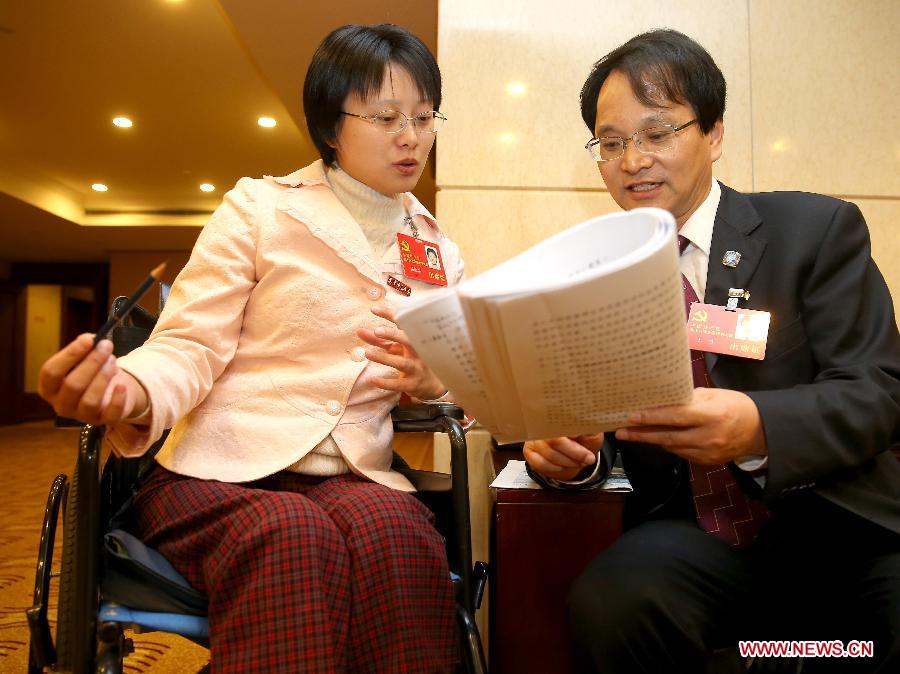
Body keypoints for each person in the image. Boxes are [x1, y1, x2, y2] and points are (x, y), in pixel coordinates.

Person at [38, 24, 461, 673]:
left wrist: (432, 381)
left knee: (398, 535)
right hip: (219, 471)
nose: (411, 136)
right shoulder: (259, 208)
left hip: (353, 473)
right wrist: (129, 389)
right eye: (385, 117)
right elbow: (188, 343)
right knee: (291, 536)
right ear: (330, 126)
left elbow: (459, 381)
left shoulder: (439, 253)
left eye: (425, 117)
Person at [524, 29, 900, 673]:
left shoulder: (813, 231)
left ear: (714, 134)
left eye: (658, 132)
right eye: (611, 143)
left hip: (841, 532)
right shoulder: (593, 279)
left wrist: (757, 428)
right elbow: (605, 428)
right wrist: (574, 458)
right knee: (613, 600)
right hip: (701, 544)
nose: (633, 159)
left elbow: (877, 392)